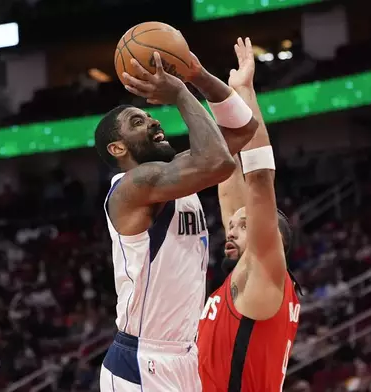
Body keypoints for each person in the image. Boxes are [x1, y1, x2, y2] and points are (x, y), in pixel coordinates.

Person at [95, 45, 259, 392]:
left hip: (185, 354)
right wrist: (182, 92)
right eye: (137, 122)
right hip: (141, 361)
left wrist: (198, 75)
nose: (154, 119)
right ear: (117, 148)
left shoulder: (178, 173)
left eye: (148, 115)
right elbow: (219, 162)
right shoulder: (132, 187)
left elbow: (244, 129)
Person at [197, 38, 301, 392]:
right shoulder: (246, 277)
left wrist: (239, 94)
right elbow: (228, 177)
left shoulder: (266, 275)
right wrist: (232, 101)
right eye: (234, 224)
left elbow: (258, 177)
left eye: (244, 225)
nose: (232, 228)